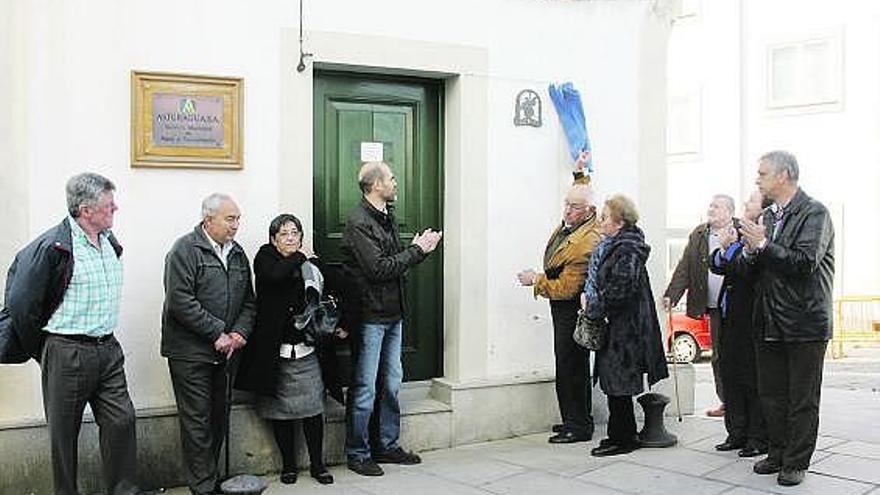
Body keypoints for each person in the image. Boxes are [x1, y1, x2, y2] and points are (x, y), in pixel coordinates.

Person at [0, 173, 142, 494]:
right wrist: (46, 349)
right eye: (108, 205)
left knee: (122, 422)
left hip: (108, 350)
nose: (115, 208)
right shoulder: (52, 246)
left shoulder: (109, 241)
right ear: (85, 210)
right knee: (64, 436)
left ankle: (124, 490)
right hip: (66, 351)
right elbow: (21, 305)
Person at [736, 151, 834, 487]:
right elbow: (754, 271)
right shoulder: (768, 216)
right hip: (769, 320)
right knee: (772, 395)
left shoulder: (814, 212)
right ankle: (777, 452)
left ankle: (795, 461)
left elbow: (805, 262)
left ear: (784, 175)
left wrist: (761, 244)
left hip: (805, 323)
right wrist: (750, 251)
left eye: (762, 173)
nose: (757, 179)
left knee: (802, 398)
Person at [341, 161, 442, 477]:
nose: (396, 183)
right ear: (375, 185)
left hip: (393, 313)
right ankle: (358, 453)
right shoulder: (358, 223)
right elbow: (378, 269)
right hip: (371, 316)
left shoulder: (386, 218)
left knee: (391, 384)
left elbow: (395, 263)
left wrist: (420, 250)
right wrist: (416, 250)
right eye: (392, 179)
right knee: (365, 387)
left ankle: (387, 445)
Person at [161, 193, 256, 495]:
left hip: (227, 352)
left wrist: (240, 332)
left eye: (238, 218)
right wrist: (216, 332)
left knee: (217, 418)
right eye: (231, 219)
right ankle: (204, 488)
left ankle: (209, 479)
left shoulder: (238, 253)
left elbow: (249, 302)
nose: (236, 225)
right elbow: (180, 301)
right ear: (208, 219)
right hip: (190, 353)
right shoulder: (185, 250)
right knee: (197, 421)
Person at [234, 214, 334, 486]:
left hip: (306, 350)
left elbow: (324, 286)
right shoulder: (265, 257)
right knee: (280, 413)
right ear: (273, 239)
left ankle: (317, 464)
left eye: (295, 233)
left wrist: (308, 261)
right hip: (275, 352)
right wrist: (303, 257)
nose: (291, 238)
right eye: (284, 234)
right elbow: (275, 276)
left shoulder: (306, 261)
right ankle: (288, 466)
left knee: (314, 409)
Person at [517, 151, 599, 443]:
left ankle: (578, 426)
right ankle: (573, 419)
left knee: (571, 366)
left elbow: (566, 287)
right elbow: (584, 194)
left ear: (589, 212)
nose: (567, 210)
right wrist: (580, 175)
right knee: (567, 365)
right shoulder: (579, 224)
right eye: (566, 204)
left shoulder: (587, 240)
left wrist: (536, 280)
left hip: (571, 309)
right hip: (562, 308)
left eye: (574, 207)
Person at [588, 195, 668, 457]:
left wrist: (596, 301)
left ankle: (623, 439)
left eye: (605, 217)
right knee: (614, 384)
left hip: (626, 330)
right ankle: (619, 435)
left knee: (618, 384)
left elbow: (621, 288)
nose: (600, 221)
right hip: (619, 327)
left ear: (619, 222)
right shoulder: (620, 245)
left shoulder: (627, 249)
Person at [663, 194, 735, 417]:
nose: (711, 209)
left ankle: (743, 403)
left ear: (730, 212)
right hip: (713, 307)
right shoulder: (699, 234)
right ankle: (727, 401)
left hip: (737, 305)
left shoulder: (740, 230)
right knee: (718, 355)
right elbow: (685, 266)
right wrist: (672, 294)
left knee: (738, 355)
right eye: (710, 205)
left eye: (716, 206)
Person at [709, 191, 768, 458]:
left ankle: (756, 437)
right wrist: (725, 249)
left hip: (750, 317)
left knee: (751, 378)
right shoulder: (740, 234)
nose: (745, 206)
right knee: (730, 374)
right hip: (730, 316)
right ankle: (736, 431)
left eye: (751, 202)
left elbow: (743, 266)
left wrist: (728, 249)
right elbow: (718, 265)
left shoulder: (761, 235)